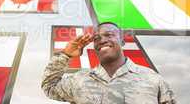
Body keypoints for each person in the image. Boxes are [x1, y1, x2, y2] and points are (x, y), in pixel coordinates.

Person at [41, 22, 176, 104]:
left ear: (122, 41)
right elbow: (49, 86)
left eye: (109, 35)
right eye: (97, 38)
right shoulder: (79, 79)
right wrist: (66, 54)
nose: (102, 40)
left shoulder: (152, 79)